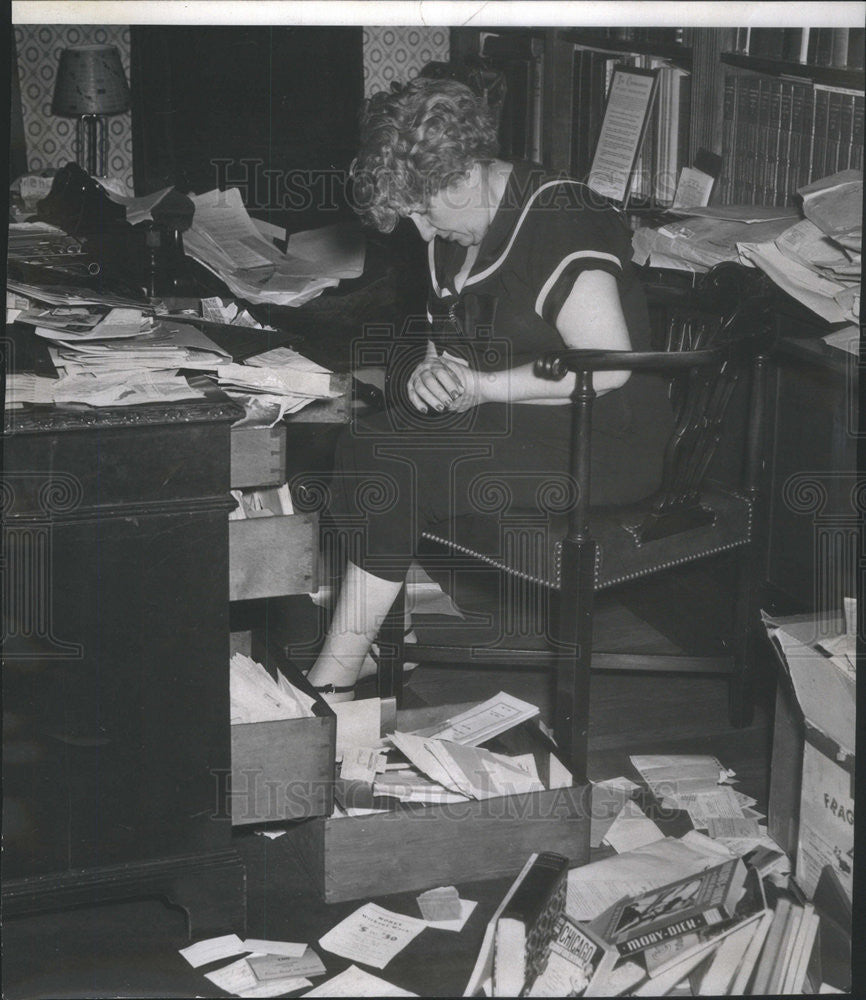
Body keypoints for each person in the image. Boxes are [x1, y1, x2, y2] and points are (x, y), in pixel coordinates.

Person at [305, 76, 673, 701]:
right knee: (367, 442)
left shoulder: (561, 217)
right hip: (531, 419)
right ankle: (355, 653)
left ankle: (332, 680)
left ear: (466, 175)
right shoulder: (457, 230)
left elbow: (607, 366)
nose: (420, 232)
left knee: (396, 461)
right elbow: (445, 336)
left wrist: (482, 386)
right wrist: (432, 370)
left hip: (605, 437)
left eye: (425, 210)